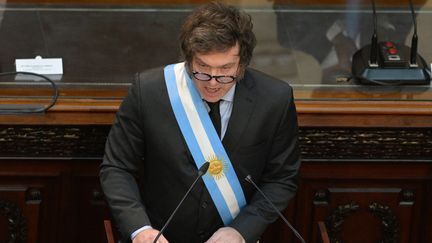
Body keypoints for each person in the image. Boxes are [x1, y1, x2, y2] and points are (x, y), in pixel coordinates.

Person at [99, 2, 300, 243]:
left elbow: (282, 179)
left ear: (242, 64)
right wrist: (140, 229)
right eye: (202, 68)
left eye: (225, 69)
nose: (213, 82)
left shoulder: (274, 99)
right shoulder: (150, 91)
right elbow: (117, 168)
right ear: (188, 59)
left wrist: (241, 231)